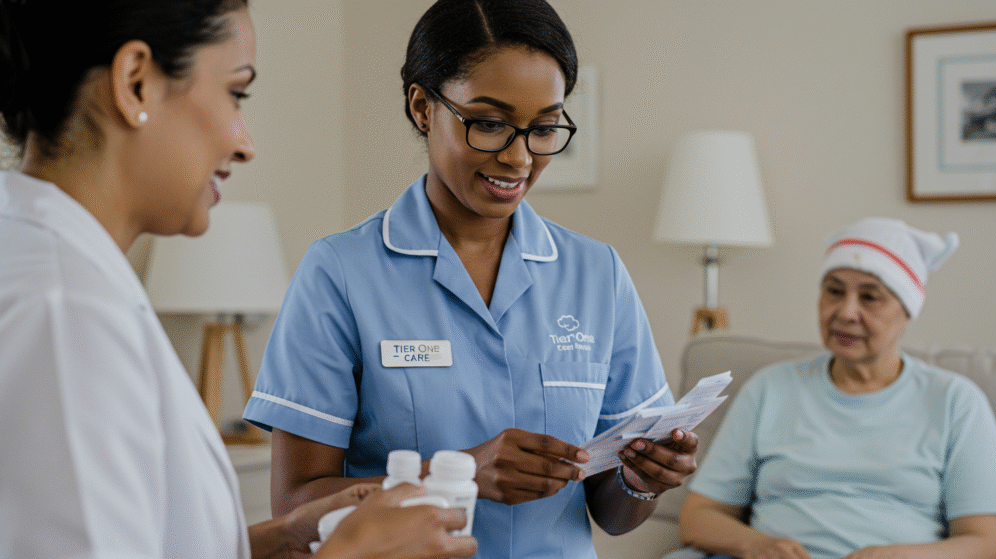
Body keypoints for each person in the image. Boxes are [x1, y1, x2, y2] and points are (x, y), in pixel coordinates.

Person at [0, 1, 476, 558]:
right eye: (236, 93)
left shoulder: (63, 277)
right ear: (135, 83)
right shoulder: (67, 314)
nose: (245, 143)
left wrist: (278, 539)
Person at [241, 0, 699, 557]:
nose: (519, 158)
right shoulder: (339, 272)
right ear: (422, 108)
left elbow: (613, 514)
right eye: (489, 123)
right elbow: (294, 507)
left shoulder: (596, 274)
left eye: (543, 129)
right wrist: (458, 475)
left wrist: (643, 478)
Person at [673, 217, 996, 559]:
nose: (846, 312)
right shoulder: (769, 388)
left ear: (906, 312)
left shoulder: (954, 400)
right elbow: (699, 516)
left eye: (870, 297)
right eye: (834, 291)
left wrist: (895, 556)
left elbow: (982, 541)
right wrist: (757, 546)